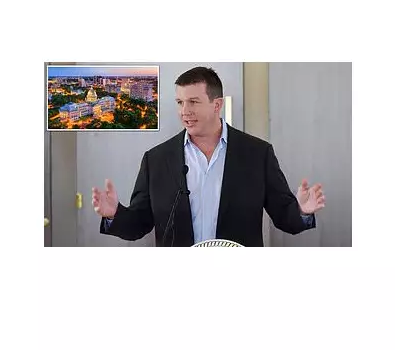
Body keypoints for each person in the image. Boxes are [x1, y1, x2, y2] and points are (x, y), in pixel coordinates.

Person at [92, 66, 325, 247]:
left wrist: (302, 211)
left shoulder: (257, 154)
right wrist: (115, 214)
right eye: (180, 102)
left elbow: (284, 216)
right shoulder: (156, 160)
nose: (185, 111)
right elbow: (139, 225)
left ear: (217, 105)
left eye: (193, 102)